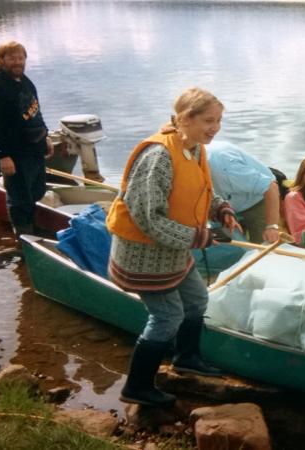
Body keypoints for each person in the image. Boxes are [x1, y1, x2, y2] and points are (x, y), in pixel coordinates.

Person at [105, 87, 241, 407]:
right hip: (144, 257)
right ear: (185, 118)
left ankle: (186, 356)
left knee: (197, 299)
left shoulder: (194, 148)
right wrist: (199, 238)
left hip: (173, 254)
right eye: (209, 120)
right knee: (167, 317)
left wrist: (220, 208)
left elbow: (197, 190)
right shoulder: (158, 157)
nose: (215, 127)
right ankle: (137, 386)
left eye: (219, 120)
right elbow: (148, 219)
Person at [0, 41, 54, 236]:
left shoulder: (24, 81)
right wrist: (3, 155)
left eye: (21, 58)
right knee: (19, 199)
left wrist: (45, 135)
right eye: (12, 58)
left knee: (37, 191)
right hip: (15, 153)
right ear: (2, 59)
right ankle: (24, 241)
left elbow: (35, 111)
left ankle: (33, 229)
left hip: (34, 149)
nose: (17, 62)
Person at [207, 141, 281, 244]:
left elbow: (271, 187)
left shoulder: (228, 168)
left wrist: (272, 226)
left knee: (262, 249)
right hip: (227, 206)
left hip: (258, 201)